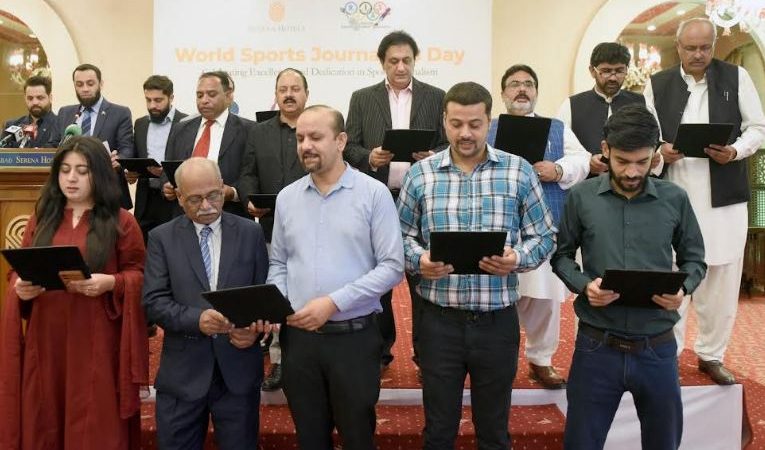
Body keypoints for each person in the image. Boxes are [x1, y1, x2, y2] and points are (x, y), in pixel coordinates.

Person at [397, 82, 556, 448]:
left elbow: (544, 235)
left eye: (475, 124)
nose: (465, 133)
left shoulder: (517, 171)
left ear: (489, 122)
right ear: (444, 121)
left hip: (497, 321)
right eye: (456, 124)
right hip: (438, 322)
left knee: (494, 431)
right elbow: (399, 237)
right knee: (438, 431)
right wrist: (420, 260)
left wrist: (516, 258)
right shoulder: (421, 174)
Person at [551, 104, 707, 450]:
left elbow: (695, 259)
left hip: (658, 348)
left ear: (655, 155)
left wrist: (683, 288)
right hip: (596, 347)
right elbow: (560, 256)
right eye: (623, 161)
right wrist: (584, 286)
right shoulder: (581, 197)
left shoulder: (675, 198)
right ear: (605, 149)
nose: (633, 171)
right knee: (581, 444)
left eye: (643, 161)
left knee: (663, 443)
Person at [268, 105, 404, 448]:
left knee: (357, 437)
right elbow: (279, 262)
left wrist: (333, 302)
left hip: (353, 340)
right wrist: (279, 305)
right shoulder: (287, 198)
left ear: (341, 141)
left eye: (315, 137)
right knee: (310, 438)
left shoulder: (373, 193)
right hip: (299, 341)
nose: (305, 146)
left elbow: (392, 267)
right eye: (300, 138)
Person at [0, 136, 149, 449]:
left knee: (94, 420)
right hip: (46, 337)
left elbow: (139, 276)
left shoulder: (122, 221)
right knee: (45, 415)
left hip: (95, 337)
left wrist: (112, 283)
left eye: (82, 171)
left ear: (99, 174)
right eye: (65, 170)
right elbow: (18, 271)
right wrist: (19, 288)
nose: (71, 178)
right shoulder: (42, 217)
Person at [645, 17, 765, 385]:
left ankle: (712, 355)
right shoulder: (657, 83)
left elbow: (758, 128)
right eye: (691, 48)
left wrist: (735, 150)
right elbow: (646, 132)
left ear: (712, 46)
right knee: (672, 276)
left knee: (722, 278)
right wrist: (660, 150)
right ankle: (668, 353)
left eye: (705, 47)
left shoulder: (736, 77)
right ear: (678, 47)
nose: (698, 54)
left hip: (724, 198)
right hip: (674, 196)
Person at [143, 157, 270, 450]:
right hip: (183, 374)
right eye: (195, 199)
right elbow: (153, 301)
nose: (206, 206)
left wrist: (253, 332)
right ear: (179, 197)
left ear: (223, 186)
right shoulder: (162, 238)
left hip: (238, 371)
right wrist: (196, 320)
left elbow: (263, 296)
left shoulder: (250, 233)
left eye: (213, 195)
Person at [344, 30, 447, 370]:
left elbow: (449, 143)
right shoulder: (362, 98)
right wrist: (369, 157)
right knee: (378, 279)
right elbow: (348, 145)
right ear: (382, 63)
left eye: (406, 60)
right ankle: (380, 353)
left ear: (415, 61)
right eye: (393, 61)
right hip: (377, 199)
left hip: (424, 202)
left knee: (424, 278)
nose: (401, 67)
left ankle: (426, 355)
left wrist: (433, 155)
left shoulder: (436, 97)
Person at [487, 64, 589, 389]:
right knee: (497, 299)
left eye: (528, 84)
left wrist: (557, 170)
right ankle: (495, 363)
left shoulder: (557, 128)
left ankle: (541, 360)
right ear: (503, 92)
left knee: (545, 298)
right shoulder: (487, 127)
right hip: (498, 226)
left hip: (542, 226)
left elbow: (583, 160)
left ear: (536, 92)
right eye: (514, 84)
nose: (522, 89)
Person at [238, 68, 309, 391]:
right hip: (269, 227)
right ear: (276, 94)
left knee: (306, 294)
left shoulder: (315, 128)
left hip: (312, 228)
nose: (289, 94)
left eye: (295, 88)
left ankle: (304, 357)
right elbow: (248, 173)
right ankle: (279, 361)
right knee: (276, 295)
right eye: (283, 89)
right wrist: (249, 199)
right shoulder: (259, 132)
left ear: (306, 93)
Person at [558, 43, 658, 176]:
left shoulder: (643, 102)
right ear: (592, 71)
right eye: (606, 71)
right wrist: (586, 163)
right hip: (588, 184)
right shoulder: (571, 105)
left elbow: (655, 143)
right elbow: (560, 149)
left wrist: (656, 158)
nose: (613, 78)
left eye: (619, 71)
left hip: (634, 181)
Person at [163, 71, 253, 218]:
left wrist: (233, 192)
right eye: (199, 95)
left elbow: (252, 174)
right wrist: (166, 186)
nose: (204, 100)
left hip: (230, 215)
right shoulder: (180, 129)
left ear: (228, 96)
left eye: (211, 95)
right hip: (184, 217)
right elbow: (166, 171)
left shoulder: (249, 130)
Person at [57, 63, 135, 209]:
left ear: (101, 84)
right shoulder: (65, 113)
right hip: (71, 194)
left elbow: (127, 149)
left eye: (90, 83)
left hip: (108, 193)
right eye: (79, 84)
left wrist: (119, 159)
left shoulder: (120, 113)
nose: (85, 89)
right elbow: (56, 147)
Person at [132, 75, 187, 243]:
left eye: (158, 100)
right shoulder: (140, 124)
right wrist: (131, 172)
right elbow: (136, 156)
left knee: (172, 244)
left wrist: (166, 174)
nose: (152, 106)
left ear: (171, 97)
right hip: (145, 197)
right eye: (148, 100)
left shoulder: (186, 123)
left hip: (173, 197)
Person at [3, 75, 59, 147]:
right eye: (30, 98)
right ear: (25, 98)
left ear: (50, 98)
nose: (35, 102)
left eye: (40, 98)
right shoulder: (12, 125)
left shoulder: (60, 125)